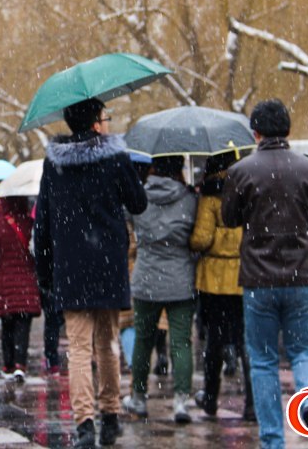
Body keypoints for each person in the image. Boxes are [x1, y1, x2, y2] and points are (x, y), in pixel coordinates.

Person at [33, 98, 148, 447]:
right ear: (96, 121)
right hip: (108, 263)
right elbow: (138, 202)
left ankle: (84, 423)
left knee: (79, 348)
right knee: (108, 343)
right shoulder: (115, 158)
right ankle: (110, 415)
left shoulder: (54, 164)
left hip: (70, 266)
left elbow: (43, 222)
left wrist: (45, 273)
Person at [221, 99, 308, 449]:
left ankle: (272, 440)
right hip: (300, 276)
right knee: (304, 351)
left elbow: (229, 218)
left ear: (255, 132)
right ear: (288, 129)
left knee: (264, 360)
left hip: (259, 278)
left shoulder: (241, 171)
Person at [122, 155, 197, 423]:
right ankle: (181, 401)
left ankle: (139, 397)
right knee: (181, 341)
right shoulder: (189, 199)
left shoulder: (139, 196)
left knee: (143, 339)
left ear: (154, 167)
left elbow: (128, 221)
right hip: (180, 279)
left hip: (147, 279)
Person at [190, 151, 254, 421]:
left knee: (214, 342)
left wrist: (201, 240)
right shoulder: (247, 189)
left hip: (214, 280)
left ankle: (211, 397)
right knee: (246, 341)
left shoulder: (210, 194)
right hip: (244, 275)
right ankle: (252, 403)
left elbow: (201, 239)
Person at [0, 196, 40, 382]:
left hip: (4, 283)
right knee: (23, 326)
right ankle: (20, 365)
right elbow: (39, 252)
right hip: (27, 283)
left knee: (7, 326)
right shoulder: (31, 225)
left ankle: (8, 365)